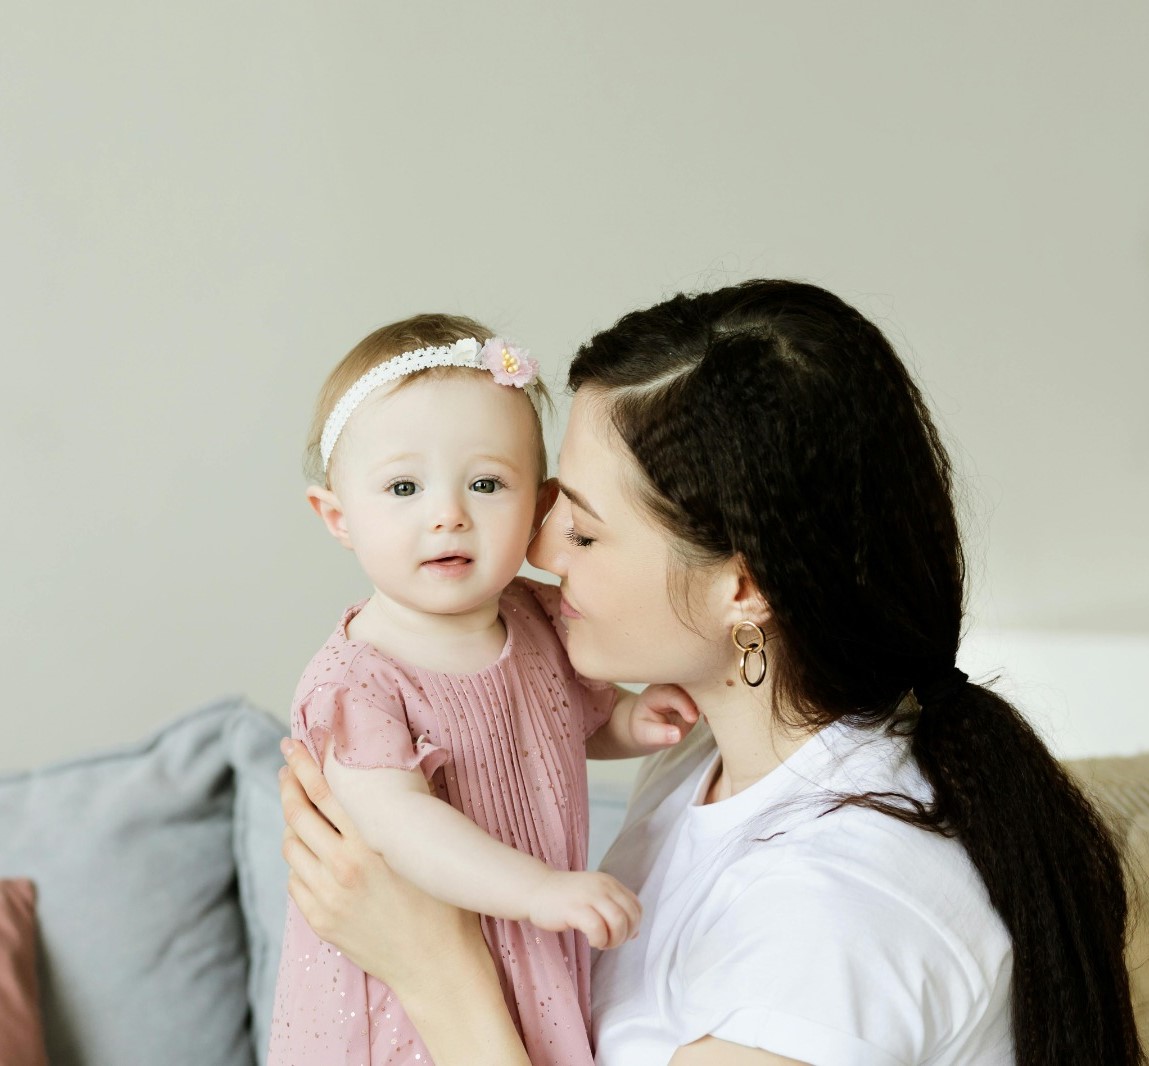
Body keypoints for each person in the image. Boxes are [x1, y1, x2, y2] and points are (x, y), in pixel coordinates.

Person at [276, 284, 1143, 1066]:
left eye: (578, 530)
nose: (533, 552)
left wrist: (435, 970)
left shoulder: (832, 920)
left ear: (741, 586)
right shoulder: (708, 759)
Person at [267, 313, 699, 1066]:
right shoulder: (356, 682)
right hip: (405, 976)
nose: (447, 514)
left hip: (526, 944)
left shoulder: (536, 618)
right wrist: (537, 890)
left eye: (486, 483)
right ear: (337, 517)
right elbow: (398, 825)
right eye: (403, 486)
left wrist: (630, 720)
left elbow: (565, 723)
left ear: (539, 507)